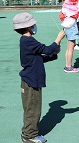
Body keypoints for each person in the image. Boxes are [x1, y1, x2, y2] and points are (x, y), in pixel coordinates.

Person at [13, 12, 65, 143]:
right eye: (33, 24)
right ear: (29, 27)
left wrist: (54, 55)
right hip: (31, 80)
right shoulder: (28, 40)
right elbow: (45, 49)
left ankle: (28, 131)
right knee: (33, 108)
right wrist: (58, 39)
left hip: (30, 79)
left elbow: (38, 58)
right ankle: (29, 136)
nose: (35, 26)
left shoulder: (26, 41)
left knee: (31, 107)